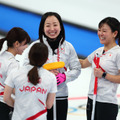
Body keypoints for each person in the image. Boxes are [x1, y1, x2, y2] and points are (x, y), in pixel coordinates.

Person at [21, 12, 81, 120]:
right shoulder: (35, 46)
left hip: (60, 96)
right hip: (39, 95)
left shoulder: (68, 47)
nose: (52, 29)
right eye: (48, 25)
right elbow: (25, 66)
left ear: (61, 27)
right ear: (42, 28)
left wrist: (64, 77)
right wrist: (43, 74)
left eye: (55, 25)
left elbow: (76, 69)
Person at [80, 17, 120, 120]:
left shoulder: (118, 53)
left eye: (104, 31)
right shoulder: (98, 51)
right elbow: (84, 63)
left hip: (106, 103)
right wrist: (67, 58)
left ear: (114, 33)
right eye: (99, 30)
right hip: (92, 99)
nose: (100, 33)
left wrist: (103, 75)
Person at [4, 43, 57, 120]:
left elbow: (6, 98)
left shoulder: (15, 72)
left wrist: (19, 106)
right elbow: (49, 105)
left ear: (28, 56)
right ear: (46, 59)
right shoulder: (51, 77)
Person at [0, 27, 30, 120]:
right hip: (3, 106)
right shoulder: (13, 64)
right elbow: (12, 89)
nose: (27, 47)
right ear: (16, 44)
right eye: (25, 44)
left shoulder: (1, 55)